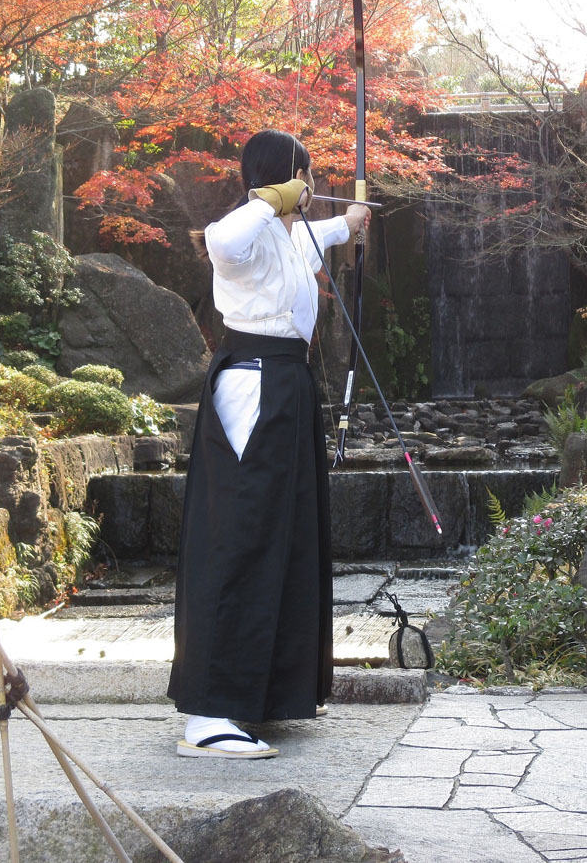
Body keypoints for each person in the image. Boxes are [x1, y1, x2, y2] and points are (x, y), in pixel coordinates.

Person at [166, 129, 370, 758]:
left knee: (286, 532)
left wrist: (351, 220)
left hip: (287, 384)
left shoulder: (288, 236)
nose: (309, 187)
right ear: (279, 178)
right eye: (301, 175)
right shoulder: (243, 234)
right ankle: (209, 713)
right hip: (253, 385)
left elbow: (324, 234)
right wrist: (271, 197)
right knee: (243, 532)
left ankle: (266, 694)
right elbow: (223, 239)